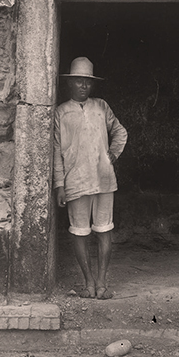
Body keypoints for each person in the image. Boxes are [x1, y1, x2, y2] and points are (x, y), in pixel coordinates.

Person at [53, 56, 128, 300]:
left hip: (104, 178)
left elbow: (120, 131)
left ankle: (102, 283)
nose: (83, 86)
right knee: (79, 231)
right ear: (70, 83)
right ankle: (88, 283)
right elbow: (56, 151)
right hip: (75, 180)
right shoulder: (61, 113)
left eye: (87, 82)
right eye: (78, 81)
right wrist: (59, 184)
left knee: (104, 229)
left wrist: (113, 155)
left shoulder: (101, 106)